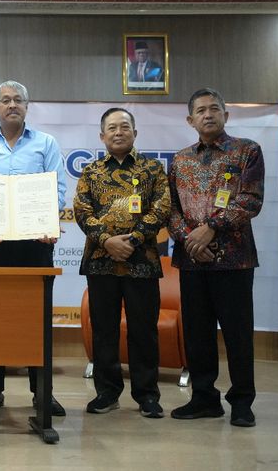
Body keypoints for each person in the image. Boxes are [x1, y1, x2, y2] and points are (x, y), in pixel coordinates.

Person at [0, 80, 67, 416]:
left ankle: (42, 393)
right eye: (5, 100)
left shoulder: (46, 143)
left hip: (35, 245)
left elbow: (58, 190)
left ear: (27, 106)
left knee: (37, 320)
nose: (12, 105)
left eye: (18, 100)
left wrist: (48, 222)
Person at [168, 87, 265, 427]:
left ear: (227, 114)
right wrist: (189, 238)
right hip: (192, 261)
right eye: (201, 110)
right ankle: (204, 398)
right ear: (190, 119)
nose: (208, 115)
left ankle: (242, 401)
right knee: (197, 333)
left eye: (214, 109)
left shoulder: (246, 151)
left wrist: (209, 228)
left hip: (234, 260)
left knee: (238, 333)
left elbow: (250, 200)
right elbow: (172, 210)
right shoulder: (180, 159)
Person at [73, 108, 171, 419]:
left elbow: (162, 207)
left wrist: (134, 239)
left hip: (141, 261)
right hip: (101, 262)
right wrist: (107, 241)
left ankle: (147, 395)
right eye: (112, 128)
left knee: (143, 330)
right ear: (102, 136)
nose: (118, 132)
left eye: (124, 127)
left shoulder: (153, 169)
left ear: (135, 133)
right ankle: (107, 392)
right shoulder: (91, 172)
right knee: (104, 331)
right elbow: (81, 210)